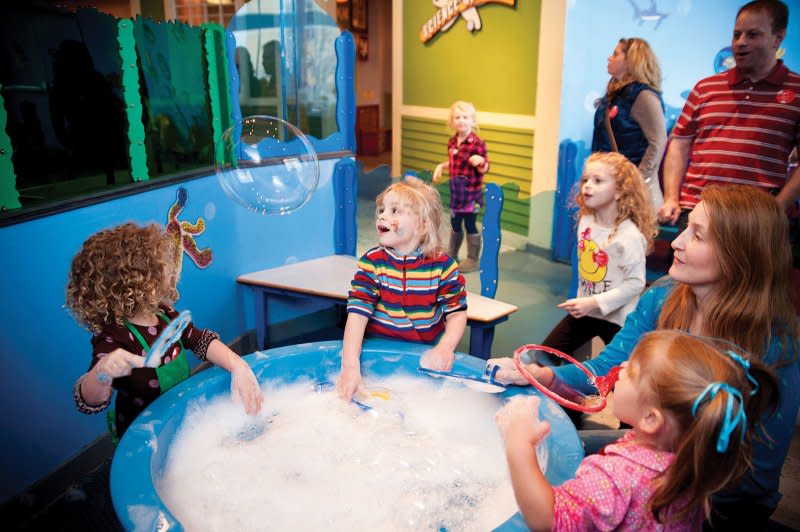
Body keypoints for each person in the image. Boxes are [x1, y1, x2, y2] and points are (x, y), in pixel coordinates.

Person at [489, 184, 800, 528]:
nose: (677, 242)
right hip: (657, 458)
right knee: (563, 451)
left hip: (721, 504)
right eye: (685, 227)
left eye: (697, 235)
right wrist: (544, 375)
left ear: (740, 255)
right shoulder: (665, 295)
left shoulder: (777, 345)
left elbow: (757, 479)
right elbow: (605, 370)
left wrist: (639, 486)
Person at [496, 330, 778, 531]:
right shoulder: (692, 462)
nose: (620, 368)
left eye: (632, 372)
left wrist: (518, 444)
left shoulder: (615, 477)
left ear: (652, 419)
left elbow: (548, 520)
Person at [67, 222, 263, 439]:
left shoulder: (167, 316)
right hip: (144, 436)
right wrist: (102, 373)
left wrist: (237, 365)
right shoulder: (114, 338)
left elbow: (202, 342)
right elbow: (90, 401)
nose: (172, 270)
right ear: (140, 282)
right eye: (163, 265)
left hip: (179, 419)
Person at [658, 0, 800, 229]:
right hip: (697, 211)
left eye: (753, 35)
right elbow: (679, 142)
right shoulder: (705, 88)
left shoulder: (796, 91)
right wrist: (671, 198)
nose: (741, 43)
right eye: (737, 35)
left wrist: (778, 206)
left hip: (755, 219)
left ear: (778, 37)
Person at [335, 179, 468, 401]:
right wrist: (350, 366)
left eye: (395, 211)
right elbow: (357, 315)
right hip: (378, 357)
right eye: (382, 209)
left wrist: (445, 347)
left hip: (421, 359)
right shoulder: (373, 263)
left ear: (423, 226)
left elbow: (456, 313)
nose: (382, 216)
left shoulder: (442, 267)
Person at [537, 152, 657, 368]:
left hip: (618, 320)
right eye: (585, 180)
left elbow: (636, 283)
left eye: (598, 181)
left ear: (620, 191)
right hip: (586, 312)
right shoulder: (586, 221)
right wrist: (585, 302)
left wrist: (593, 302)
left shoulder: (628, 236)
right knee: (544, 357)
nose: (587, 186)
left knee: (617, 374)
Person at [592, 37, 667, 211]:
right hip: (611, 187)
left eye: (615, 54)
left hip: (634, 195)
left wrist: (636, 181)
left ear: (630, 61)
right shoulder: (615, 95)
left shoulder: (643, 96)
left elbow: (658, 142)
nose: (609, 58)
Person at [432, 100, 490, 273]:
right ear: (452, 121)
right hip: (457, 194)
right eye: (457, 117)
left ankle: (472, 258)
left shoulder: (477, 143)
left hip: (471, 194)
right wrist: (440, 167)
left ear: (473, 121)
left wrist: (481, 162)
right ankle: (453, 255)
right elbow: (453, 162)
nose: (461, 120)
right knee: (455, 223)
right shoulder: (452, 142)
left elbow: (485, 167)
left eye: (465, 117)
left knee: (470, 224)